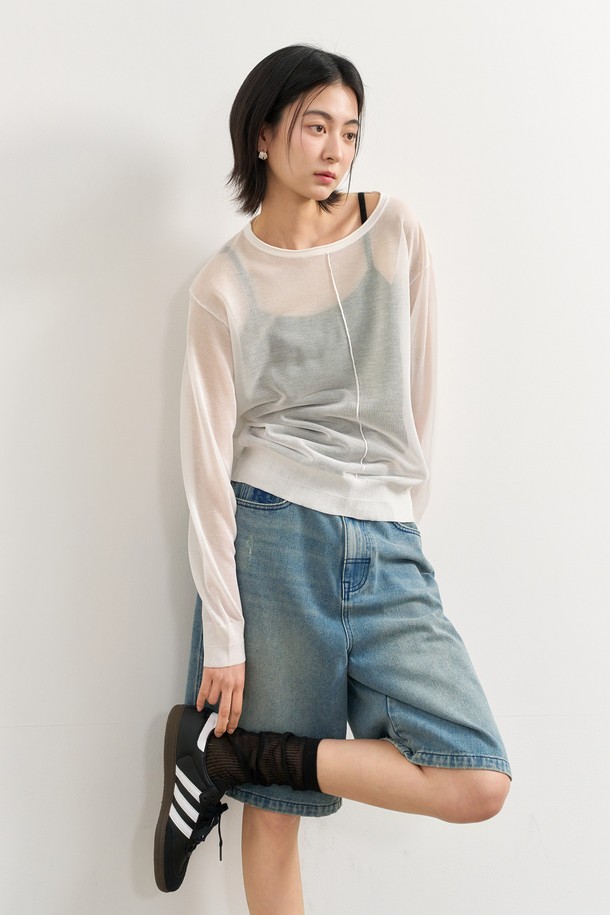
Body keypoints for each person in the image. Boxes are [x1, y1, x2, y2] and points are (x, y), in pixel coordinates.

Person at [154, 44, 511, 913]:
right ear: (263, 134)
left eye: (349, 132)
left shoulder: (395, 232)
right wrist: (225, 630)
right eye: (316, 126)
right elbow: (205, 465)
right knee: (275, 819)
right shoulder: (223, 285)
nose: (336, 150)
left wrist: (396, 510)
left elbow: (418, 397)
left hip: (386, 544)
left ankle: (237, 756)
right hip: (273, 537)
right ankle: (248, 763)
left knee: (478, 777)